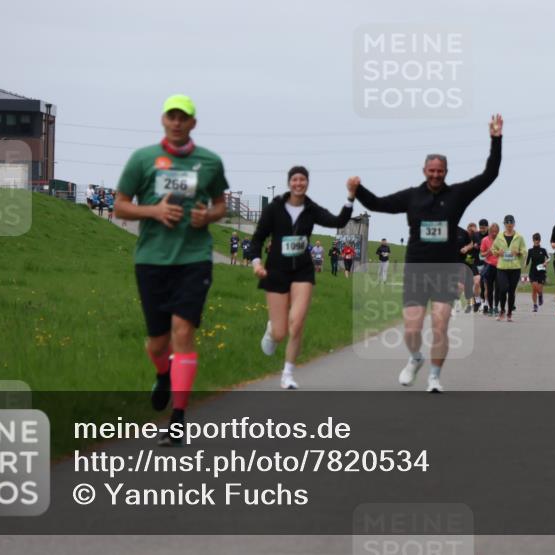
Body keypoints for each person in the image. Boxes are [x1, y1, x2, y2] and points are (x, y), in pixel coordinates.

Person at [350, 114, 503, 393]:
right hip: (416, 270)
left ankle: (434, 376)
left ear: (446, 171)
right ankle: (415, 357)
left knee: (441, 324)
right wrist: (357, 190)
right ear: (424, 170)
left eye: (440, 171)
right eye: (431, 171)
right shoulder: (412, 197)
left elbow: (489, 175)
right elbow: (378, 204)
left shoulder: (457, 195)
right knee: (412, 328)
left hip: (445, 271)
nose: (435, 175)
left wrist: (496, 139)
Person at [114, 94, 228, 447]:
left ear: (193, 123)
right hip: (151, 259)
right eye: (172, 116)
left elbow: (221, 204)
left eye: (184, 117)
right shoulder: (143, 159)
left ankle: (177, 420)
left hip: (194, 259)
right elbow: (120, 205)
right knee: (158, 343)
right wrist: (155, 212)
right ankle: (163, 373)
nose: (177, 122)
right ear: (163, 120)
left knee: (183, 332)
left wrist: (206, 216)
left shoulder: (209, 162)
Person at [249, 166, 355, 389]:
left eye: (303, 180)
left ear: (307, 183)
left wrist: (350, 197)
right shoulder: (274, 209)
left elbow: (338, 221)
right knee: (280, 333)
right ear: (289, 183)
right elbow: (257, 239)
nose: (299, 183)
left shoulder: (311, 208)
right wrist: (257, 263)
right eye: (295, 180)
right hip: (276, 270)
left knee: (297, 324)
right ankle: (272, 330)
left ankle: (287, 374)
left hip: (303, 271)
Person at [491, 215, 526, 322]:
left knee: (511, 291)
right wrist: (498, 252)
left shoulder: (519, 237)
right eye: (507, 223)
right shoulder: (500, 236)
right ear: (504, 224)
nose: (509, 225)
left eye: (511, 222)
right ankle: (502, 310)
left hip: (515, 268)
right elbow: (493, 249)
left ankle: (509, 313)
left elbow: (524, 251)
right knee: (503, 289)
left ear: (514, 224)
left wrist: (518, 252)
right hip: (502, 267)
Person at [525, 232, 550, 312]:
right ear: (533, 240)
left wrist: (546, 262)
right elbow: (527, 260)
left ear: (540, 240)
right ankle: (535, 305)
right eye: (535, 240)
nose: (537, 241)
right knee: (534, 288)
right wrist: (525, 265)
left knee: (539, 289)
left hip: (541, 272)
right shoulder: (530, 250)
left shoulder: (543, 250)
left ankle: (540, 295)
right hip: (533, 272)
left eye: (538, 240)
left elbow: (549, 257)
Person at [479, 223, 500, 317]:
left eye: (496, 231)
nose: (494, 233)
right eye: (492, 231)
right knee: (490, 288)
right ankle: (490, 307)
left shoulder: (501, 240)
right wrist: (489, 251)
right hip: (489, 265)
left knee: (499, 288)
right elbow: (482, 254)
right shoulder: (485, 240)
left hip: (500, 266)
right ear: (489, 231)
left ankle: (496, 307)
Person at [475, 219, 489, 311]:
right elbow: (472, 244)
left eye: (484, 228)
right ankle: (477, 301)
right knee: (477, 283)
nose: (482, 229)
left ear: (487, 227)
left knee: (486, 283)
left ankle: (486, 303)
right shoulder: (476, 235)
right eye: (480, 228)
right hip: (477, 261)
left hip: (487, 262)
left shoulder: (490, 235)